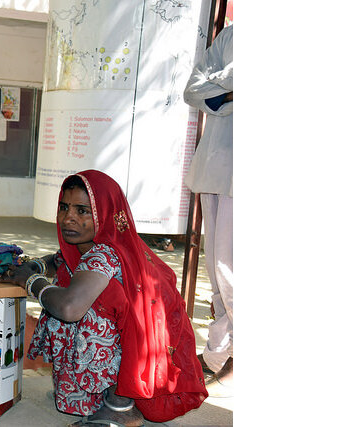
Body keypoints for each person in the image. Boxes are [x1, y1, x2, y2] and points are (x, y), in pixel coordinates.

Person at [0, 170, 207, 426]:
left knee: (69, 303)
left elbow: (69, 308)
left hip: (136, 351)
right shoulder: (97, 245)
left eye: (82, 211)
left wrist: (30, 282)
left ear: (106, 213)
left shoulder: (104, 255)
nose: (68, 218)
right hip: (137, 345)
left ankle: (120, 406)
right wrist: (35, 267)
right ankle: (89, 394)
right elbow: (58, 260)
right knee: (64, 283)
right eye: (64, 208)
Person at [183, 24, 233, 395]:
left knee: (233, 273)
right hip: (212, 168)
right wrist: (228, 91)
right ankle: (220, 354)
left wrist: (221, 89)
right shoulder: (231, 36)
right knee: (216, 273)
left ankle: (228, 355)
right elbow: (193, 90)